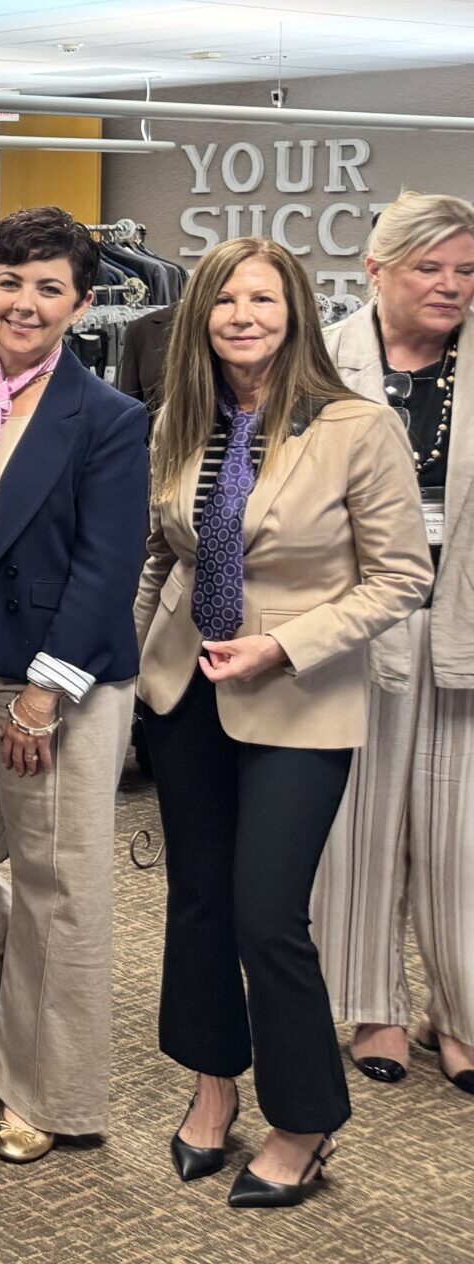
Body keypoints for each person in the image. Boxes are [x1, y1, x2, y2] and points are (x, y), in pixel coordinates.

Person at [139, 236, 429, 1208]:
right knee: (199, 902)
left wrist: (284, 643)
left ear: (296, 310)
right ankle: (212, 1084)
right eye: (224, 300)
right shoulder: (181, 418)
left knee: (267, 913)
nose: (242, 316)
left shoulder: (356, 427)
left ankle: (304, 1122)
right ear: (200, 316)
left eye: (262, 298)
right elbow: (161, 554)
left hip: (301, 698)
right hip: (185, 692)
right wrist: (133, 667)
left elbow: (401, 576)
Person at [0, 208, 152, 1163]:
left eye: (50, 287)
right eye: (10, 282)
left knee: (58, 885)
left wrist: (44, 695)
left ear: (81, 305)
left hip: (58, 672)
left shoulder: (109, 418)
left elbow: (108, 567)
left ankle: (50, 1090)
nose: (26, 302)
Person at [313, 191, 474, 1099]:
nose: (451, 286)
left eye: (466, 271)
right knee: (361, 822)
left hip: (465, 611)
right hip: (358, 616)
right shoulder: (324, 358)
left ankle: (461, 1013)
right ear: (377, 270)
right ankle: (372, 1002)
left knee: (461, 834)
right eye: (430, 268)